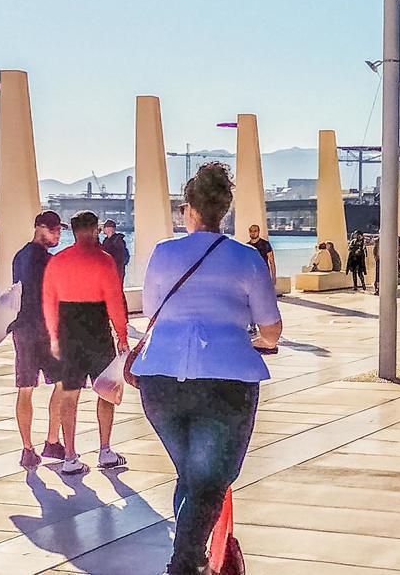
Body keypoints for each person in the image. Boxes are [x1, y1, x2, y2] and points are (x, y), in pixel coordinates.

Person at [134, 162, 281, 575]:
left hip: (161, 380)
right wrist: (253, 339)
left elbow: (151, 311)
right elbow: (271, 328)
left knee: (192, 476)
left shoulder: (163, 253)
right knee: (209, 480)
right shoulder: (247, 258)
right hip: (226, 382)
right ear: (224, 211)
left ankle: (197, 558)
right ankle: (184, 565)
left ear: (190, 210)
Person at [42, 210, 131, 473]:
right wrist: (122, 336)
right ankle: (105, 450)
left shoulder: (58, 262)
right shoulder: (104, 261)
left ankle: (70, 457)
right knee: (106, 391)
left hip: (68, 333)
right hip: (98, 332)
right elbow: (115, 302)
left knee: (69, 394)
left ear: (73, 231)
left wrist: (53, 337)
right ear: (94, 229)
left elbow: (49, 303)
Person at [9, 210, 67, 468]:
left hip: (22, 330)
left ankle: (28, 448)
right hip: (43, 330)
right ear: (39, 228)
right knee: (63, 383)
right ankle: (52, 441)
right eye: (53, 230)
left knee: (26, 387)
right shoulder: (48, 261)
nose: (57, 235)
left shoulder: (19, 256)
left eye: (59, 230)